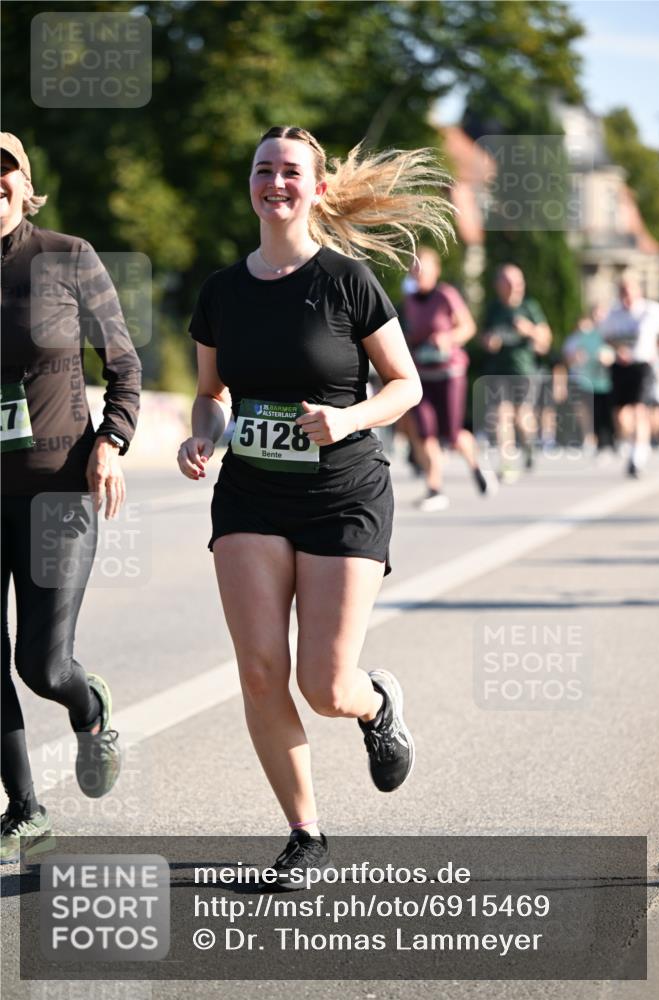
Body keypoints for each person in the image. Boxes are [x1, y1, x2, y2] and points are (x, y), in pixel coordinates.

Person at [178, 125, 453, 882]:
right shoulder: (221, 292)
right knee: (261, 672)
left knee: (325, 685)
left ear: (317, 188)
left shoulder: (346, 281)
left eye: (291, 171)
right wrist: (201, 437)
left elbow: (405, 384)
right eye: (263, 169)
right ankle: (305, 834)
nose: (275, 182)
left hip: (341, 493)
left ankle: (375, 704)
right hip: (251, 494)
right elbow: (211, 394)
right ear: (251, 184)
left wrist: (348, 417)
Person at [1, 133, 141, 862]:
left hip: (57, 489)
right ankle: (25, 809)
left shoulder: (66, 256)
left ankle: (89, 710)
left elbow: (124, 365)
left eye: (5, 174)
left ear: (28, 186)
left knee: (42, 666)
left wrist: (111, 443)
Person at [402, 246, 496, 511]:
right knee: (425, 432)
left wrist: (447, 338)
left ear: (435, 271)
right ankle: (434, 488)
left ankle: (477, 467)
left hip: (449, 372)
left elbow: (468, 327)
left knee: (452, 435)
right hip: (422, 374)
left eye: (423, 268)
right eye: (414, 268)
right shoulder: (408, 300)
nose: (418, 273)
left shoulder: (446, 295)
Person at [480, 265, 552, 482]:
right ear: (499, 285)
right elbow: (483, 337)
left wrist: (529, 329)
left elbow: (546, 340)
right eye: (509, 282)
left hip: (524, 371)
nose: (514, 287)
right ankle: (507, 462)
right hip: (499, 370)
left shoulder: (530, 307)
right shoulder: (493, 309)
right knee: (502, 415)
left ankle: (529, 446)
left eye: (517, 282)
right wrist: (489, 342)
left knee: (522, 417)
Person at [600, 269, 659, 477]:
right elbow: (606, 337)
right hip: (621, 366)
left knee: (640, 410)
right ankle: (633, 445)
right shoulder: (613, 313)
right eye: (622, 291)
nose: (626, 295)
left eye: (629, 290)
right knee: (621, 416)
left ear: (638, 290)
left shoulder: (652, 311)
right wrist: (617, 348)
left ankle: (636, 457)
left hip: (643, 365)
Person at [562, 306, 615, 455]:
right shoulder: (580, 337)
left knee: (605, 412)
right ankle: (589, 438)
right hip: (583, 380)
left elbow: (614, 353)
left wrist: (607, 358)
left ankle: (609, 439)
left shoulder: (607, 335)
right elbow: (567, 357)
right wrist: (576, 358)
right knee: (585, 410)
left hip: (604, 380)